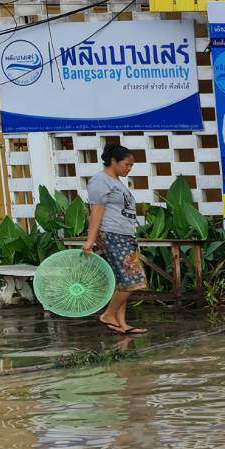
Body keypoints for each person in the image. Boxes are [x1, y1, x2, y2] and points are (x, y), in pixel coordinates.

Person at [83, 143, 147, 335]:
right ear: (113, 161)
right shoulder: (100, 181)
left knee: (122, 280)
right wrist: (90, 240)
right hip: (113, 235)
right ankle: (109, 315)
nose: (129, 168)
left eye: (131, 165)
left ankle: (121, 323)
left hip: (125, 235)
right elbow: (96, 212)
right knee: (134, 279)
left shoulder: (116, 182)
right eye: (127, 164)